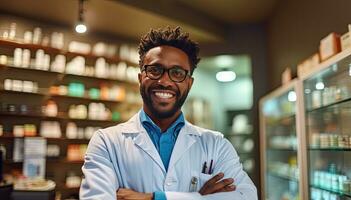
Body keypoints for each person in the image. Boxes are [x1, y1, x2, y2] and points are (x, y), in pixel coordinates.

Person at [80, 27, 257, 200]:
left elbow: (246, 196)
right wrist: (199, 196)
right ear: (141, 78)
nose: (165, 81)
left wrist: (155, 198)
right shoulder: (106, 142)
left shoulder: (216, 144)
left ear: (189, 83)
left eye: (177, 73)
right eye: (155, 70)